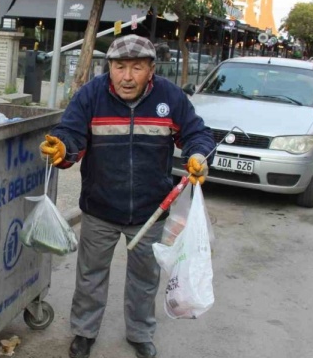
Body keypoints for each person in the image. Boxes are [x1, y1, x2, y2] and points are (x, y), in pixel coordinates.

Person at [39, 35, 214, 358]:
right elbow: (70, 133)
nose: (127, 76)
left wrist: (199, 155)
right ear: (110, 68)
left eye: (137, 67)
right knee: (90, 276)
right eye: (120, 67)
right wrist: (62, 148)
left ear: (151, 69)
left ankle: (140, 332)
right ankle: (84, 331)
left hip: (151, 210)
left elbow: (197, 134)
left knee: (145, 279)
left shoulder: (170, 97)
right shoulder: (91, 95)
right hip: (100, 207)